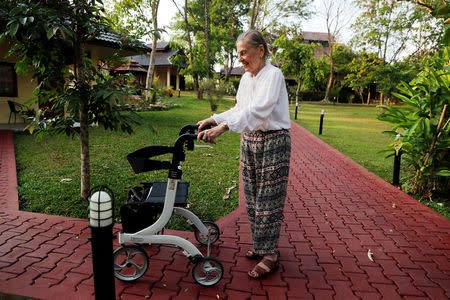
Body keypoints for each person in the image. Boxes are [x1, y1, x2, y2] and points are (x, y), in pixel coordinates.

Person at [197, 30, 291, 279]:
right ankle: (261, 245)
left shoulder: (273, 75)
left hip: (274, 142)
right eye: (238, 54)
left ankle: (270, 255)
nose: (240, 58)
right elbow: (241, 108)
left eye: (243, 53)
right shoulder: (247, 79)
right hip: (249, 139)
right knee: (252, 197)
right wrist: (214, 118)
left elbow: (260, 110)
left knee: (268, 200)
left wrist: (224, 127)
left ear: (259, 50)